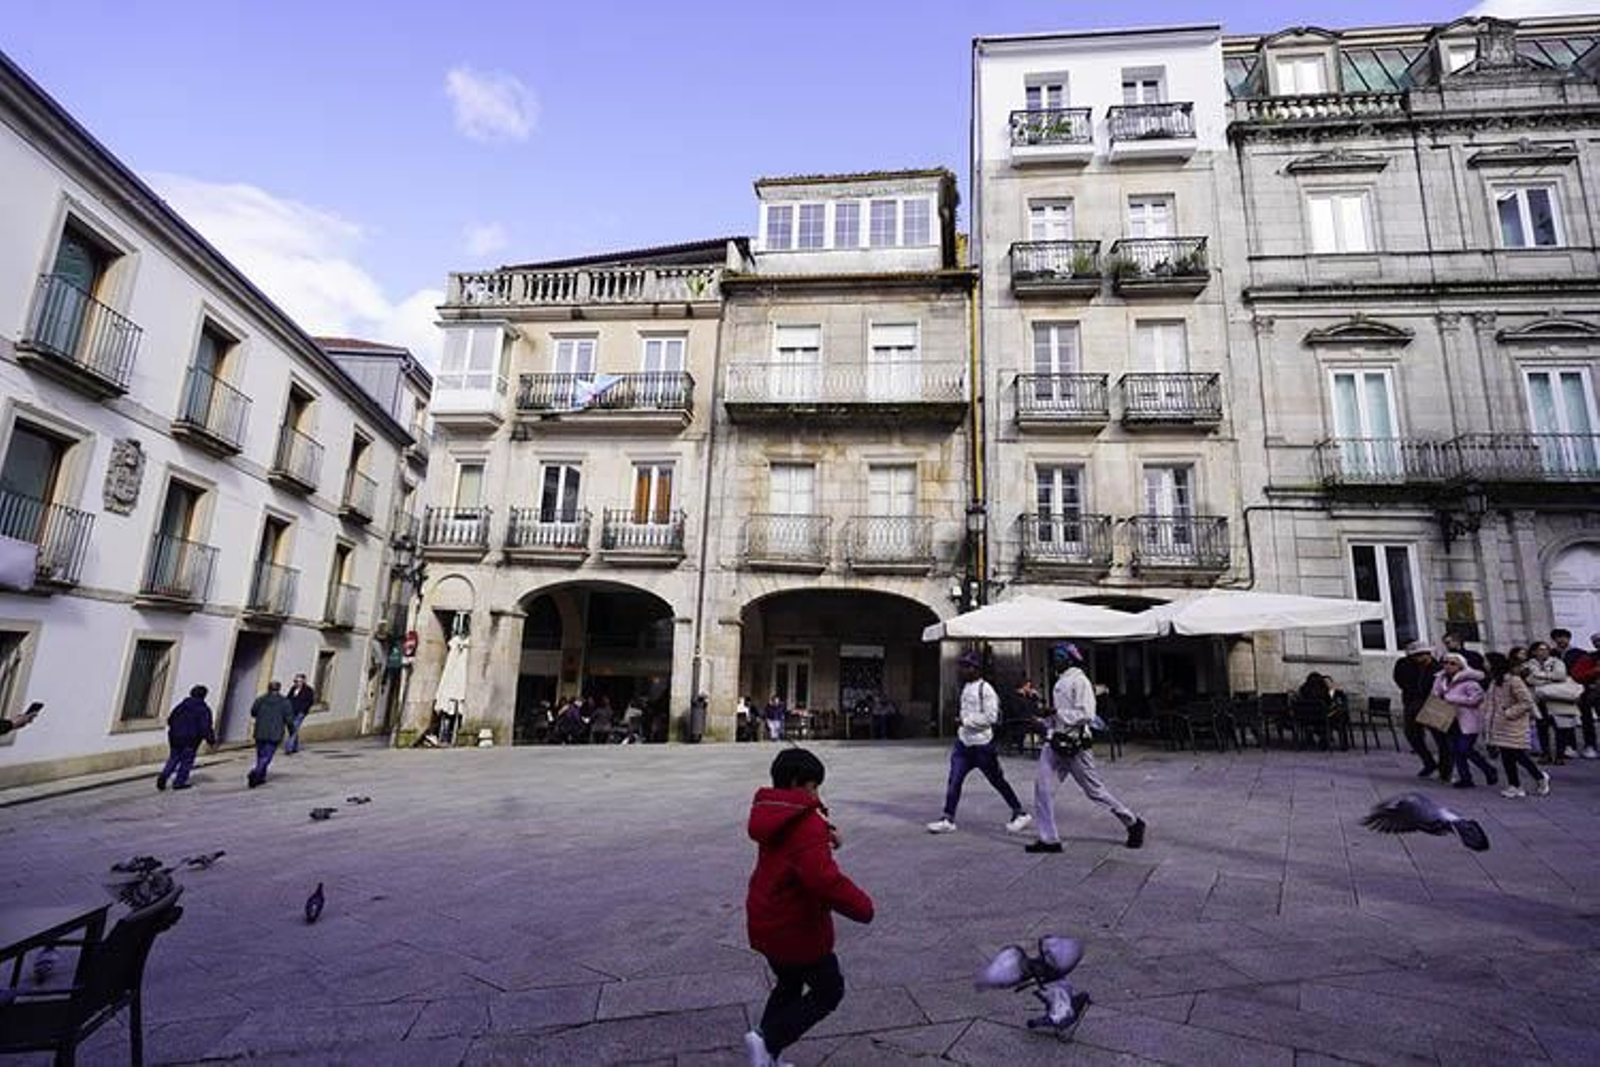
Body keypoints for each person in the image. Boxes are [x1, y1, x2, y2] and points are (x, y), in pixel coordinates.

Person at [744, 748, 874, 1067]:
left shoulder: (772, 811)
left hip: (767, 918)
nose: (816, 794)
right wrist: (863, 907)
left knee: (788, 984)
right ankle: (767, 1039)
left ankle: (767, 1057)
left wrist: (825, 831)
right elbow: (824, 880)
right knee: (829, 991)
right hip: (796, 928)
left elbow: (796, 834)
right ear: (795, 783)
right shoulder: (806, 825)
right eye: (813, 786)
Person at [1027, 643, 1145, 854]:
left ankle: (1133, 822)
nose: (1055, 661)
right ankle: (1049, 839)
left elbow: (1087, 715)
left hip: (1076, 746)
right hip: (1055, 743)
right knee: (1042, 788)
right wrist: (1045, 721)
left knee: (1094, 791)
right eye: (1054, 657)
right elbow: (1060, 716)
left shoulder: (1080, 681)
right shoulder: (1060, 681)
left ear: (1069, 659)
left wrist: (1055, 712)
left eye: (1059, 657)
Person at [926, 651, 1032, 836]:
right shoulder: (965, 688)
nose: (962, 670)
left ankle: (1019, 813)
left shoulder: (986, 689)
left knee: (997, 781)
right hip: (964, 744)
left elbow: (991, 717)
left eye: (966, 666)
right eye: (962, 666)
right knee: (954, 781)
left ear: (975, 669)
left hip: (982, 745)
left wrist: (965, 721)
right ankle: (948, 818)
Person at [1484, 652, 1550, 799]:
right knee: (1506, 756)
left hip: (1513, 724)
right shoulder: (1495, 681)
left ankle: (1540, 777)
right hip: (1500, 724)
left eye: (1486, 661)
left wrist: (1508, 713)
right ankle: (1514, 785)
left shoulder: (1513, 680)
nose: (1484, 664)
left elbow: (1526, 701)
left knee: (1518, 755)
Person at [1433, 653, 1497, 789]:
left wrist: (1453, 699)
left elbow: (1477, 699)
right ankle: (1465, 778)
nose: (1448, 666)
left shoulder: (1470, 681)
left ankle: (1488, 769)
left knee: (1464, 748)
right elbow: (1436, 694)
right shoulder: (1441, 679)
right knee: (1455, 750)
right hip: (1449, 718)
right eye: (1445, 662)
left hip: (1468, 720)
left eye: (1452, 663)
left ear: (1461, 666)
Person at [1393, 640, 1450, 780]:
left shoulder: (1438, 667)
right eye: (1415, 655)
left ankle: (1445, 770)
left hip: (1433, 704)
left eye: (1421, 655)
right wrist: (1411, 690)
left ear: (1428, 654)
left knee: (1441, 738)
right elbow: (1399, 679)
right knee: (1412, 734)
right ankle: (1429, 762)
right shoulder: (1404, 664)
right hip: (1412, 702)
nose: (1418, 658)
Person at [1526, 641, 1579, 763]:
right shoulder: (1529, 664)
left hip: (1556, 699)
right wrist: (1550, 678)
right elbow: (1530, 680)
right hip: (1539, 700)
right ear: (1534, 652)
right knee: (1542, 728)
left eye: (1546, 649)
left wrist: (1540, 676)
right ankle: (1546, 754)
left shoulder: (1557, 662)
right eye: (1540, 649)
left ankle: (1559, 755)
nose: (1544, 652)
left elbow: (1561, 675)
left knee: (1559, 728)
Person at [157, 685, 215, 791]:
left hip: (175, 738)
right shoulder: (203, 710)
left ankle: (164, 775)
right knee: (186, 761)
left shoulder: (181, 706)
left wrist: (176, 730)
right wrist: (211, 740)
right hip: (190, 740)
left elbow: (170, 720)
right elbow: (205, 727)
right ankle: (179, 782)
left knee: (173, 758)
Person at [247, 681, 295, 788]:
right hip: (275, 732)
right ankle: (256, 772)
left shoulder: (260, 699)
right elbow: (289, 719)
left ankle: (260, 777)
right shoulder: (284, 702)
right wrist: (292, 731)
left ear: (268, 688)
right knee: (267, 756)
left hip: (260, 731)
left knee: (260, 755)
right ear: (279, 689)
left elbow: (253, 712)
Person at [283, 673, 317, 755]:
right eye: (295, 681)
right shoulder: (293, 689)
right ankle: (295, 747)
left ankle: (288, 748)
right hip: (291, 712)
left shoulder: (308, 690)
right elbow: (288, 698)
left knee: (294, 728)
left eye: (298, 681)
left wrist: (303, 709)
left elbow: (310, 701)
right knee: (292, 728)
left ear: (303, 681)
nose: (296, 683)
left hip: (300, 713)